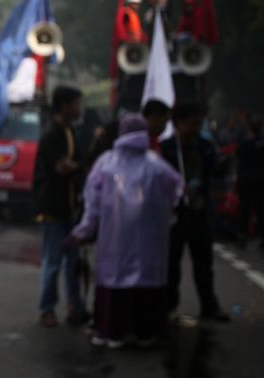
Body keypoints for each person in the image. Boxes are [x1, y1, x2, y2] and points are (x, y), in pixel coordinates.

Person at [71, 115, 184, 348]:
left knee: (115, 281)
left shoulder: (105, 163)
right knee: (146, 281)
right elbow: (177, 189)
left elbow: (91, 205)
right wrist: (165, 215)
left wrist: (82, 232)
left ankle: (112, 332)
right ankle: (146, 333)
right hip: (150, 242)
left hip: (115, 241)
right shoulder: (157, 164)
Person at [161, 103, 228, 321]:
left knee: (204, 263)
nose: (197, 128)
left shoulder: (206, 146)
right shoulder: (167, 148)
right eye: (192, 124)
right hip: (175, 214)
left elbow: (215, 174)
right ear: (178, 123)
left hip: (200, 212)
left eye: (199, 123)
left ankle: (209, 306)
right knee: (172, 263)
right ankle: (168, 305)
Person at [33, 85, 88, 327]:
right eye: (76, 104)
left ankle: (75, 306)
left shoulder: (71, 132)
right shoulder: (51, 135)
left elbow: (73, 164)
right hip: (53, 207)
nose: (79, 109)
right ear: (64, 106)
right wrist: (77, 166)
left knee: (73, 261)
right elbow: (63, 167)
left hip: (70, 207)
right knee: (53, 261)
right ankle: (47, 309)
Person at [235, 115, 264, 251]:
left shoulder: (246, 144)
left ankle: (242, 237)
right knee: (262, 210)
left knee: (245, 210)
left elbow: (238, 155)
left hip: (247, 181)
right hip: (261, 180)